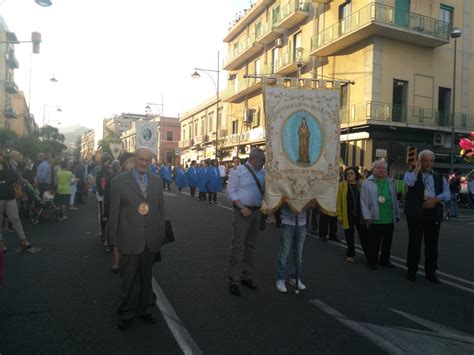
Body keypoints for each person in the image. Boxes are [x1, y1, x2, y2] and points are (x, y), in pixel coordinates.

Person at [108, 147, 165, 330]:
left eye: (147, 160)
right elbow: (114, 212)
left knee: (147, 278)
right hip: (128, 238)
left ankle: (146, 309)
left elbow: (159, 211)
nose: (143, 163)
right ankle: (126, 312)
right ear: (134, 159)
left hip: (150, 239)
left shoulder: (157, 182)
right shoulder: (118, 182)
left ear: (151, 161)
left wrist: (160, 234)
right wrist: (112, 240)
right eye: (140, 159)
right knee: (128, 279)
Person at [403, 150, 450, 282]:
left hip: (433, 213)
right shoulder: (411, 174)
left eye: (430, 161)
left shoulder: (439, 176)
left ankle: (431, 272)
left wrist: (435, 199)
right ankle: (412, 270)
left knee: (432, 244)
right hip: (416, 213)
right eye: (424, 160)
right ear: (420, 161)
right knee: (414, 243)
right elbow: (409, 183)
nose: (428, 163)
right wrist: (417, 168)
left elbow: (447, 193)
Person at [226, 148, 265, 296]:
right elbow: (230, 191)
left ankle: (246, 276)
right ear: (254, 159)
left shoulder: (262, 173)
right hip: (243, 212)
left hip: (257, 212)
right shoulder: (239, 171)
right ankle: (234, 280)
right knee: (238, 246)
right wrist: (241, 207)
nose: (263, 164)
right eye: (262, 161)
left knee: (251, 246)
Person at [361, 160, 399, 270]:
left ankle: (384, 260)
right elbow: (363, 200)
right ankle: (371, 261)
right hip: (375, 217)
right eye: (378, 168)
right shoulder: (367, 182)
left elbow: (395, 199)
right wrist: (367, 216)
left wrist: (396, 214)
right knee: (374, 242)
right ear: (373, 170)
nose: (381, 170)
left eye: (383, 168)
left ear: (386, 171)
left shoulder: (390, 182)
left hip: (389, 217)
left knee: (387, 242)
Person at [0, 152, 32, 252]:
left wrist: (4, 179)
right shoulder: (7, 166)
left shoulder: (7, 164)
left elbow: (14, 178)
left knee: (15, 218)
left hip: (9, 195)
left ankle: (23, 240)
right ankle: (1, 244)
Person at [336, 167, 368, 263]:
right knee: (349, 236)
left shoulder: (361, 184)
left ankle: (369, 254)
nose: (350, 175)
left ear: (356, 174)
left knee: (364, 236)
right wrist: (339, 215)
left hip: (360, 215)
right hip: (347, 215)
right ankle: (350, 254)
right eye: (348, 174)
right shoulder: (342, 185)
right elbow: (338, 201)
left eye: (352, 173)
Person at [275, 204, 308, 293]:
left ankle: (295, 278)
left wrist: (306, 205)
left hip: (302, 224)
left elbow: (312, 204)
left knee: (298, 254)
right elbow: (281, 202)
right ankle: (280, 279)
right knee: (284, 253)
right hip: (287, 223)